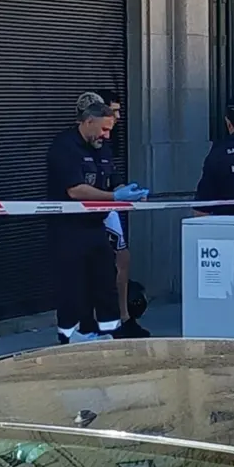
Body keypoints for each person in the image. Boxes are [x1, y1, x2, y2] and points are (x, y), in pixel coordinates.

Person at [46, 101, 149, 343]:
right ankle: (71, 337)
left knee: (105, 282)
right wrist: (114, 197)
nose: (107, 135)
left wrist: (129, 191)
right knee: (73, 286)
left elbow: (113, 180)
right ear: (88, 122)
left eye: (110, 130)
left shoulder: (102, 148)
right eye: (104, 129)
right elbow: (75, 190)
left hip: (95, 226)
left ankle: (110, 332)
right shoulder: (65, 147)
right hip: (68, 229)